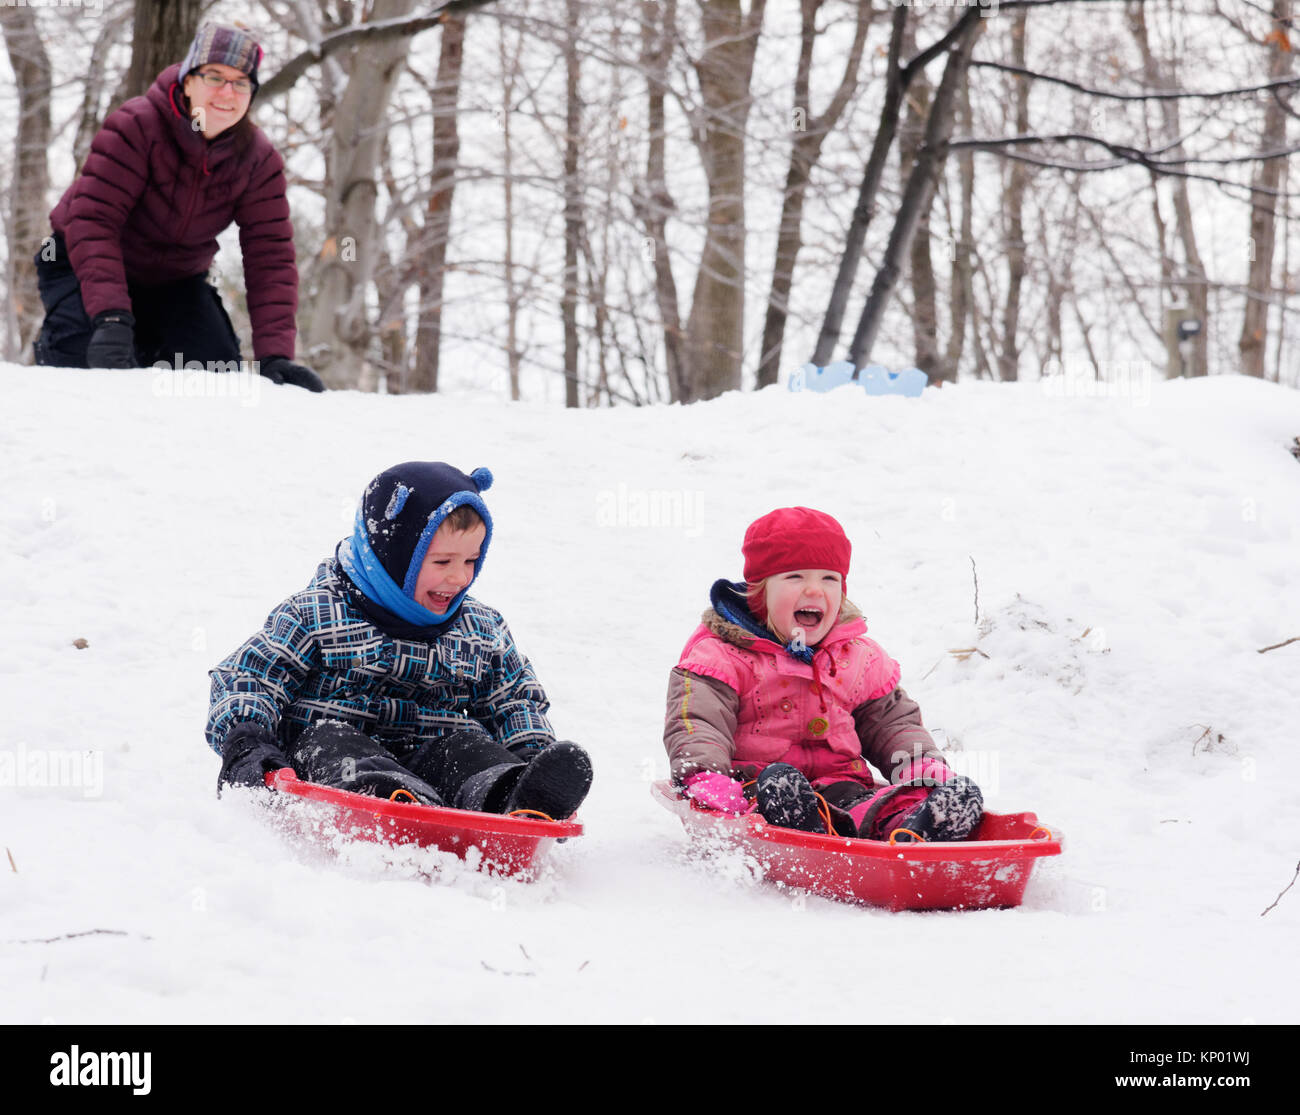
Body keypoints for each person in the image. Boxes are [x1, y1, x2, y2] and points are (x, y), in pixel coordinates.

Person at [206, 461, 593, 821]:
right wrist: (249, 744)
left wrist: (531, 754)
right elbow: (249, 677)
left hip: (439, 761)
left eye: (471, 561)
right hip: (339, 765)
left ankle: (516, 799)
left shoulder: (480, 629)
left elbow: (513, 699)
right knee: (330, 739)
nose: (459, 577)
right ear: (395, 555)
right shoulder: (316, 614)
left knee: (468, 747)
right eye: (442, 562)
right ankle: (387, 797)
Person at [663, 507, 982, 841]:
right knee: (778, 789)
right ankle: (798, 825)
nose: (815, 590)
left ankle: (912, 827)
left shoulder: (857, 657)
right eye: (795, 577)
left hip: (841, 788)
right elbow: (697, 721)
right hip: (753, 790)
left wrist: (917, 767)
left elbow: (891, 723)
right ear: (759, 594)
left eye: (829, 579)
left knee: (874, 805)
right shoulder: (723, 656)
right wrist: (704, 776)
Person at [33, 23, 323, 391]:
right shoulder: (137, 126)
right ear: (188, 81)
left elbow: (271, 258)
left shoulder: (258, 160)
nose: (227, 92)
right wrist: (111, 318)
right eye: (214, 77)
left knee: (216, 380)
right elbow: (93, 221)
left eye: (240, 83)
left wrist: (275, 355)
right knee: (88, 361)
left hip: (174, 280)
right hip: (80, 260)